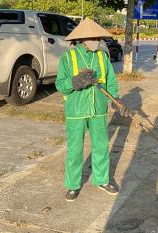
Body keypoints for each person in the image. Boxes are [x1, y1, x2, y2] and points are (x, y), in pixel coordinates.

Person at [55, 18, 129, 202]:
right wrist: (74, 82)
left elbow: (110, 81)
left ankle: (102, 179)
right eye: (94, 37)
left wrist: (116, 99)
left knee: (101, 146)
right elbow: (60, 85)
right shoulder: (68, 58)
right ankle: (73, 185)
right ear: (83, 39)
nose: (98, 41)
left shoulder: (102, 57)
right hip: (76, 110)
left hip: (98, 109)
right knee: (75, 149)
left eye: (99, 38)